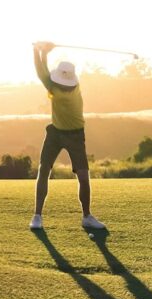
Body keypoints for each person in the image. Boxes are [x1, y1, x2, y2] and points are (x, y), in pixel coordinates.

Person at [30, 42, 105, 231]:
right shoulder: (69, 85)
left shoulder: (56, 89)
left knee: (83, 176)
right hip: (55, 133)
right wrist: (42, 52)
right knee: (44, 170)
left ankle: (87, 217)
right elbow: (43, 73)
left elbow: (41, 72)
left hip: (75, 135)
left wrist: (40, 51)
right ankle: (37, 216)